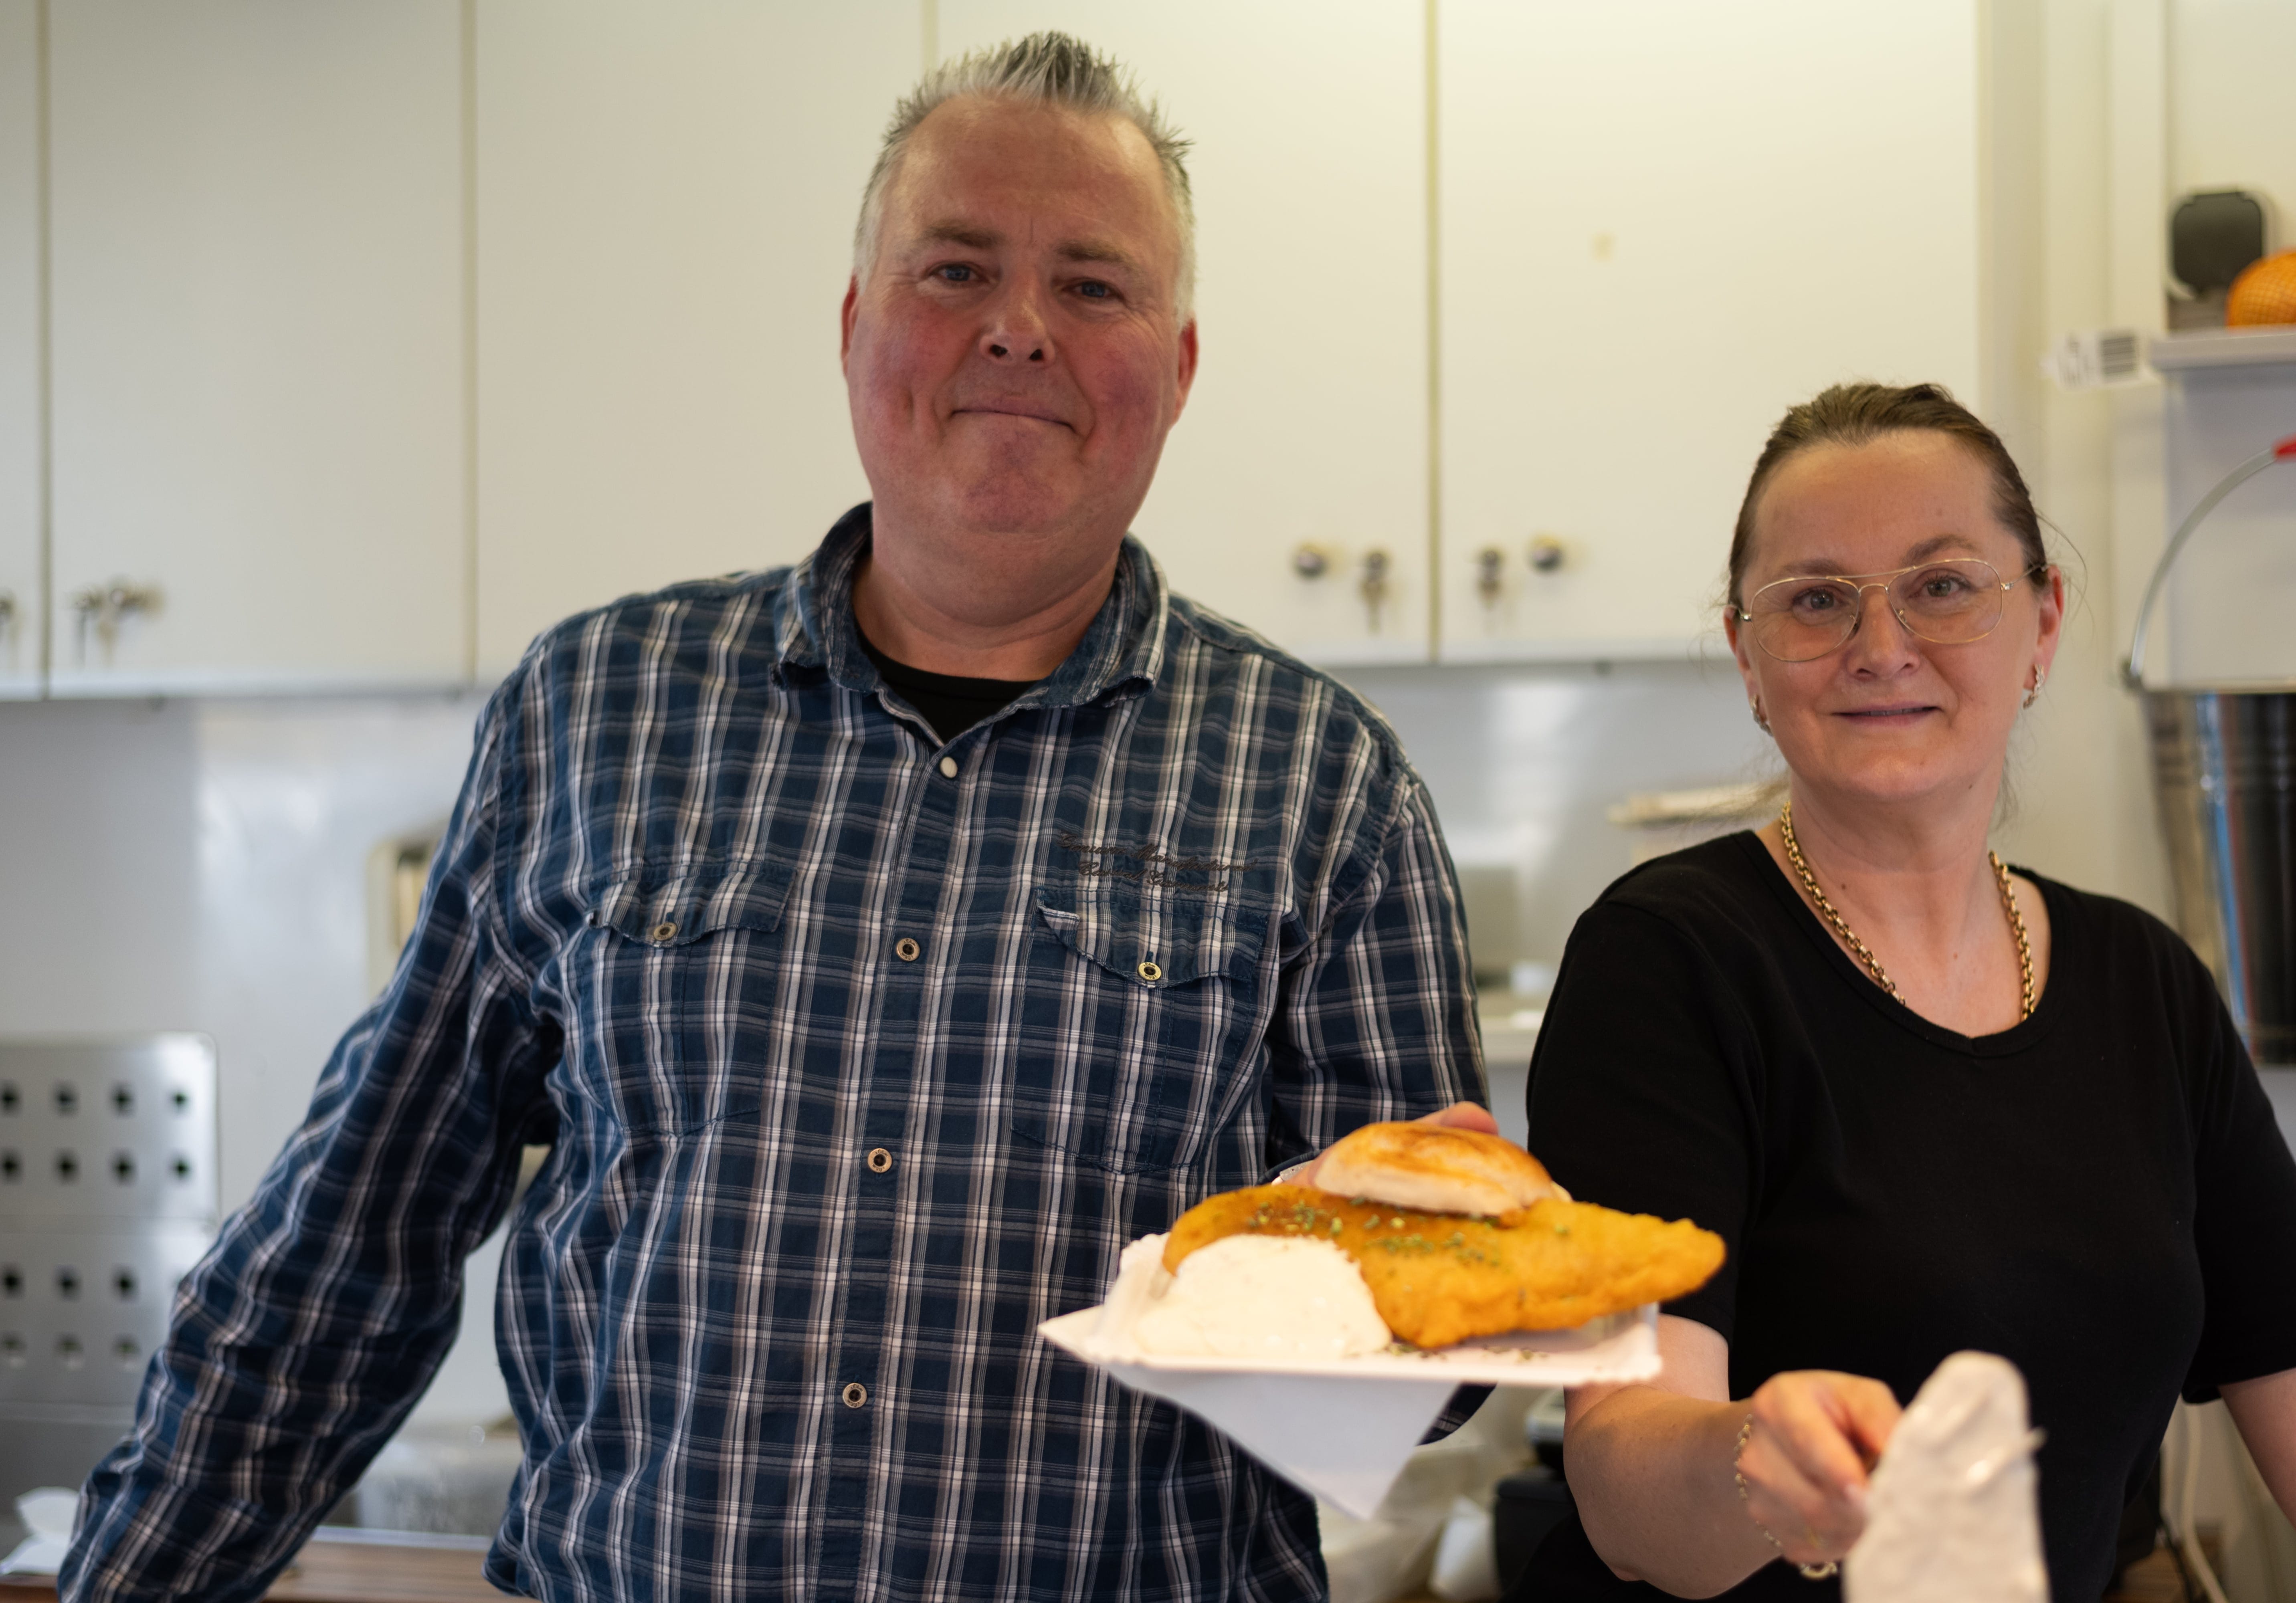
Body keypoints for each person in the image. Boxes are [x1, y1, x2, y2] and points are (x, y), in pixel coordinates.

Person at [64, 34, 1488, 1603]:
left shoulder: (1326, 786)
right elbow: (349, 1237)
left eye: (1094, 285)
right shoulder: (599, 707)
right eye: (956, 269)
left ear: (1182, 363)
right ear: (855, 326)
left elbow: (1439, 1387)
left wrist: (1438, 1281)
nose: (1020, 329)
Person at [1512, 382, 2296, 1601]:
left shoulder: (2144, 987)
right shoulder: (1670, 962)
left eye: (1943, 585)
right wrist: (1750, 1459)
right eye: (1818, 600)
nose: (1883, 649)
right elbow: (1626, 1493)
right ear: (1748, 656)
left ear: (2041, 624)